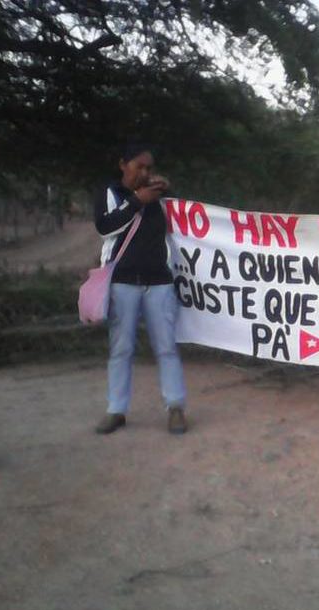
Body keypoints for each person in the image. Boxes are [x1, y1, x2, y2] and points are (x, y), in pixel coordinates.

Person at [93, 142, 187, 435]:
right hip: (123, 283)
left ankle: (175, 408)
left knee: (167, 348)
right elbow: (105, 227)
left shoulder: (159, 195)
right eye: (139, 166)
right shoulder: (110, 192)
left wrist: (164, 192)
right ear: (123, 164)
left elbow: (183, 225)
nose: (145, 172)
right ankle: (116, 410)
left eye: (149, 167)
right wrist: (137, 200)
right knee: (121, 349)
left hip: (159, 282)